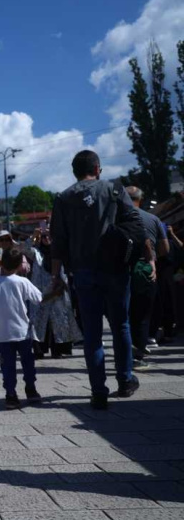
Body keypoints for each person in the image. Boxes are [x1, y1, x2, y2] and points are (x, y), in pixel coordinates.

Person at [50, 150, 146, 409]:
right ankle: (125, 380)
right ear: (98, 168)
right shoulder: (114, 190)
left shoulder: (63, 198)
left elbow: (58, 241)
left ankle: (98, 391)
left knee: (92, 333)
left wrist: (55, 276)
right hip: (115, 268)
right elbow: (136, 223)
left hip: (82, 271)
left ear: (75, 172)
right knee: (121, 326)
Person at [0, 248, 44, 409]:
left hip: (2, 334)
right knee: (28, 363)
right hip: (22, 331)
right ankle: (31, 389)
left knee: (7, 366)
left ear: (2, 263)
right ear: (18, 265)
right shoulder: (23, 282)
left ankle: (10, 394)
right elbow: (39, 298)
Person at [124, 186, 167, 367]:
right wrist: (154, 259)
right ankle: (139, 349)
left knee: (125, 312)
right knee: (144, 312)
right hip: (147, 268)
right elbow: (165, 248)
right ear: (140, 199)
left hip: (123, 270)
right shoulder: (153, 219)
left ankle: (128, 349)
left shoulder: (117, 218)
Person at [26, 228, 81, 359]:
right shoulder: (36, 253)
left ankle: (58, 350)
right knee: (38, 321)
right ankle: (39, 350)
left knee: (59, 321)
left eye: (49, 236)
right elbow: (25, 248)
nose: (47, 239)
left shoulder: (61, 253)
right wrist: (33, 236)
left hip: (58, 292)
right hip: (40, 293)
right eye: (44, 237)